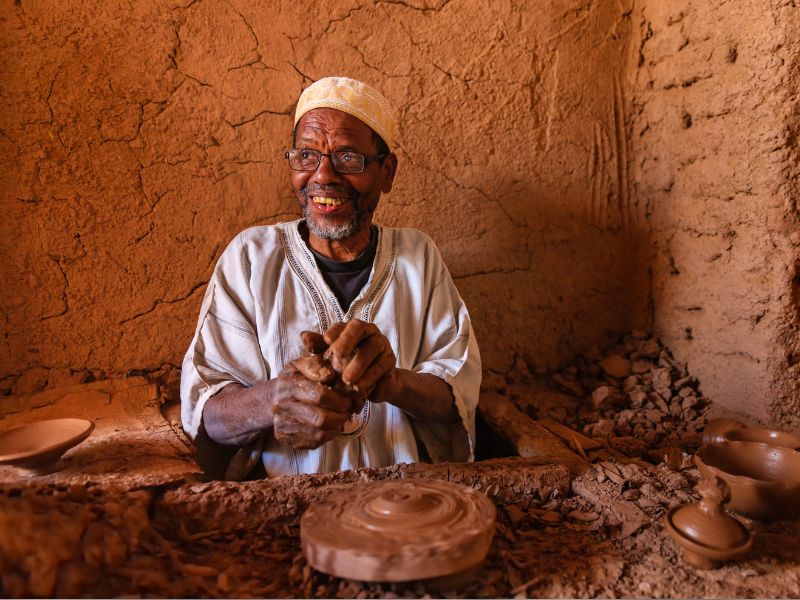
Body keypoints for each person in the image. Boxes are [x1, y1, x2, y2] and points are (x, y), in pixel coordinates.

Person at [180, 76, 481, 479]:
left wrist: (393, 384)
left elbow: (457, 394)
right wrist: (274, 399)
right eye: (306, 155)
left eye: (348, 158)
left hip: (404, 504)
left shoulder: (418, 257)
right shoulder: (252, 258)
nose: (323, 176)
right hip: (282, 509)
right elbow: (206, 410)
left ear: (386, 172)